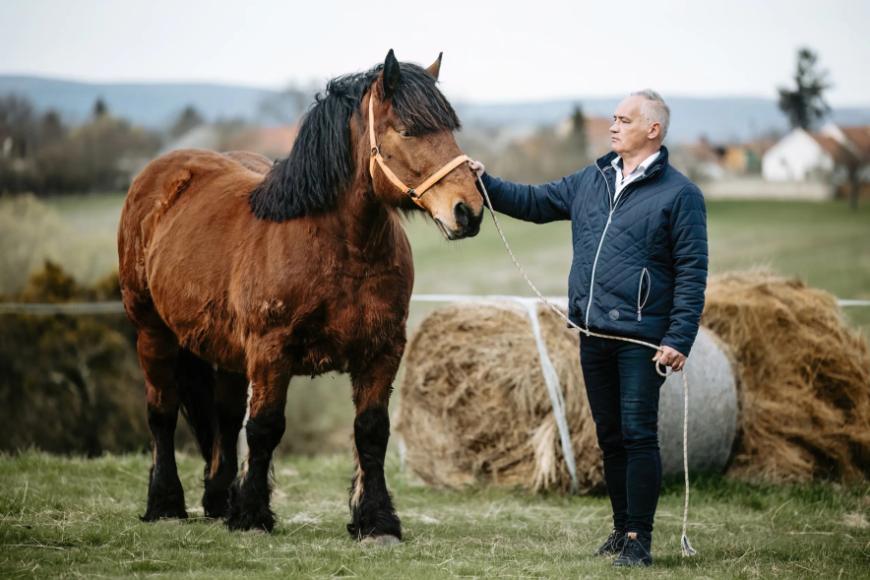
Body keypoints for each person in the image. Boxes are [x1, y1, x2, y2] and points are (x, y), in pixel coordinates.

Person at [469, 90, 708, 567]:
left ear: (653, 130)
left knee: (639, 435)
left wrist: (678, 339)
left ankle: (641, 540)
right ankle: (621, 531)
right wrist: (484, 182)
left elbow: (692, 270)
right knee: (610, 437)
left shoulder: (680, 195)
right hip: (592, 332)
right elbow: (535, 202)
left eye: (624, 119)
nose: (613, 126)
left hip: (642, 337)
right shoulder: (592, 178)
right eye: (613, 118)